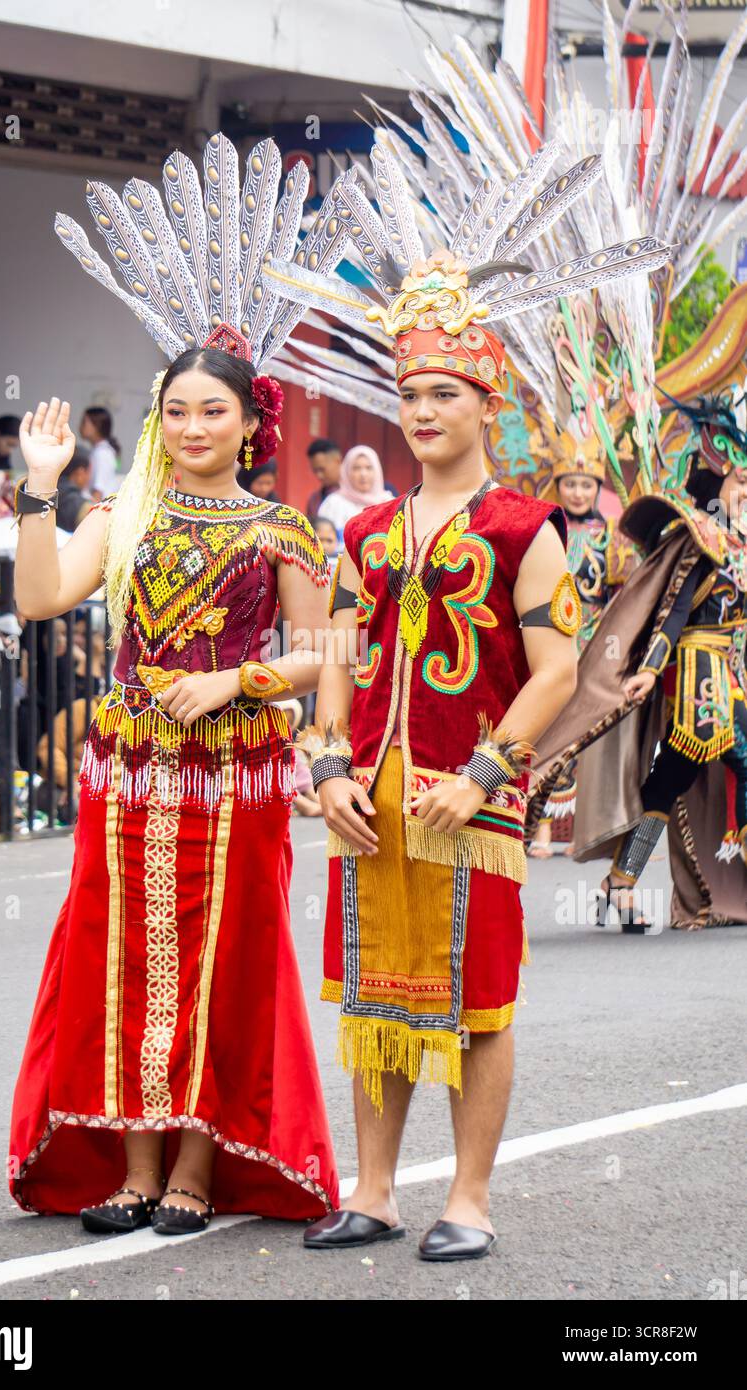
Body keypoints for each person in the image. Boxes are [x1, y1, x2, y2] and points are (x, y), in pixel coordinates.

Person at [262, 142, 670, 1258]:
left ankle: (468, 1200)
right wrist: (328, 760)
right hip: (373, 797)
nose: (422, 409)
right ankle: (376, 1189)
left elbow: (556, 668)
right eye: (407, 394)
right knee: (371, 1003)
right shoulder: (369, 530)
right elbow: (332, 645)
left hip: (470, 800)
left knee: (476, 1002)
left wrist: (492, 768)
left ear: (481, 404)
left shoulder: (519, 527)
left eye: (442, 391)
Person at [8, 131, 351, 1236]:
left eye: (216, 411)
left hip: (233, 777)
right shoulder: (128, 514)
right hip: (126, 777)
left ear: (254, 424)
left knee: (218, 962)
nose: (195, 426)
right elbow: (40, 599)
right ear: (159, 421)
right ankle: (135, 1166)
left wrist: (238, 681)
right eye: (178, 410)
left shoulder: (283, 528)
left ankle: (199, 1171)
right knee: (121, 962)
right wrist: (40, 490)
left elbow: (331, 654)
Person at [530, 394, 747, 931]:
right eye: (740, 482)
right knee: (679, 774)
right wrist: (649, 668)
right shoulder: (702, 539)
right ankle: (622, 882)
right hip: (697, 681)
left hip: (732, 676)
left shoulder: (738, 542)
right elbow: (670, 612)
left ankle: (622, 883)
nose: (745, 491)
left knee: (673, 779)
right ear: (719, 482)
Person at [528, 435, 634, 858]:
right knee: (549, 731)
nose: (578, 492)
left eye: (586, 485)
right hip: (551, 637)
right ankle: (540, 830)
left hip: (592, 641)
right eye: (570, 483)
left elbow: (621, 593)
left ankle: (584, 835)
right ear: (558, 484)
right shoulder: (544, 527)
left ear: (598, 489)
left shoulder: (609, 534)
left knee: (587, 737)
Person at [317, 443, 393, 540]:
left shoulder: (389, 503)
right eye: (356, 468)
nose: (363, 474)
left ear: (377, 470)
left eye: (369, 468)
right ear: (347, 471)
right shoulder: (333, 504)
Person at [80, 405, 120, 500]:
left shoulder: (103, 454)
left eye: (84, 422)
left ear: (96, 426)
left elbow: (98, 493)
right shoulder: (98, 451)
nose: (80, 426)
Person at [305, 438, 342, 524]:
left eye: (322, 469)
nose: (319, 475)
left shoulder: (356, 495)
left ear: (337, 460)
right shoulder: (314, 500)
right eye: (315, 471)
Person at [56, 449, 93, 532]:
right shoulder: (73, 502)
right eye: (89, 473)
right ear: (80, 473)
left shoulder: (48, 490)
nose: (89, 478)